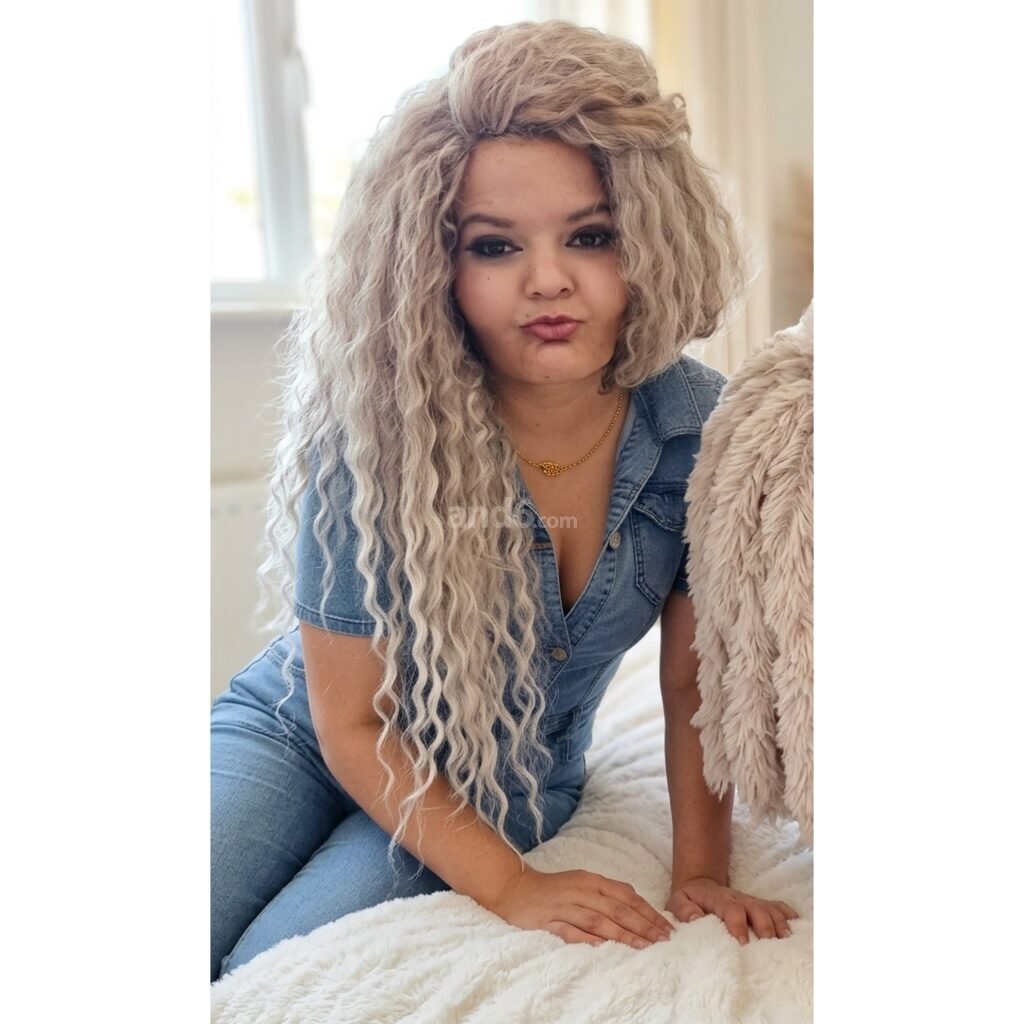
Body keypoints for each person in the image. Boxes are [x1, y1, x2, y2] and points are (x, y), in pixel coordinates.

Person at [211, 19, 799, 983]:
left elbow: (692, 686)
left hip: (499, 782)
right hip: (296, 732)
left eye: (591, 236)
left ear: (651, 239)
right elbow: (350, 722)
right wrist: (515, 890)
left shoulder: (700, 433)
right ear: (433, 266)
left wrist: (700, 872)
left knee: (268, 972)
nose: (548, 280)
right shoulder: (372, 430)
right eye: (494, 246)